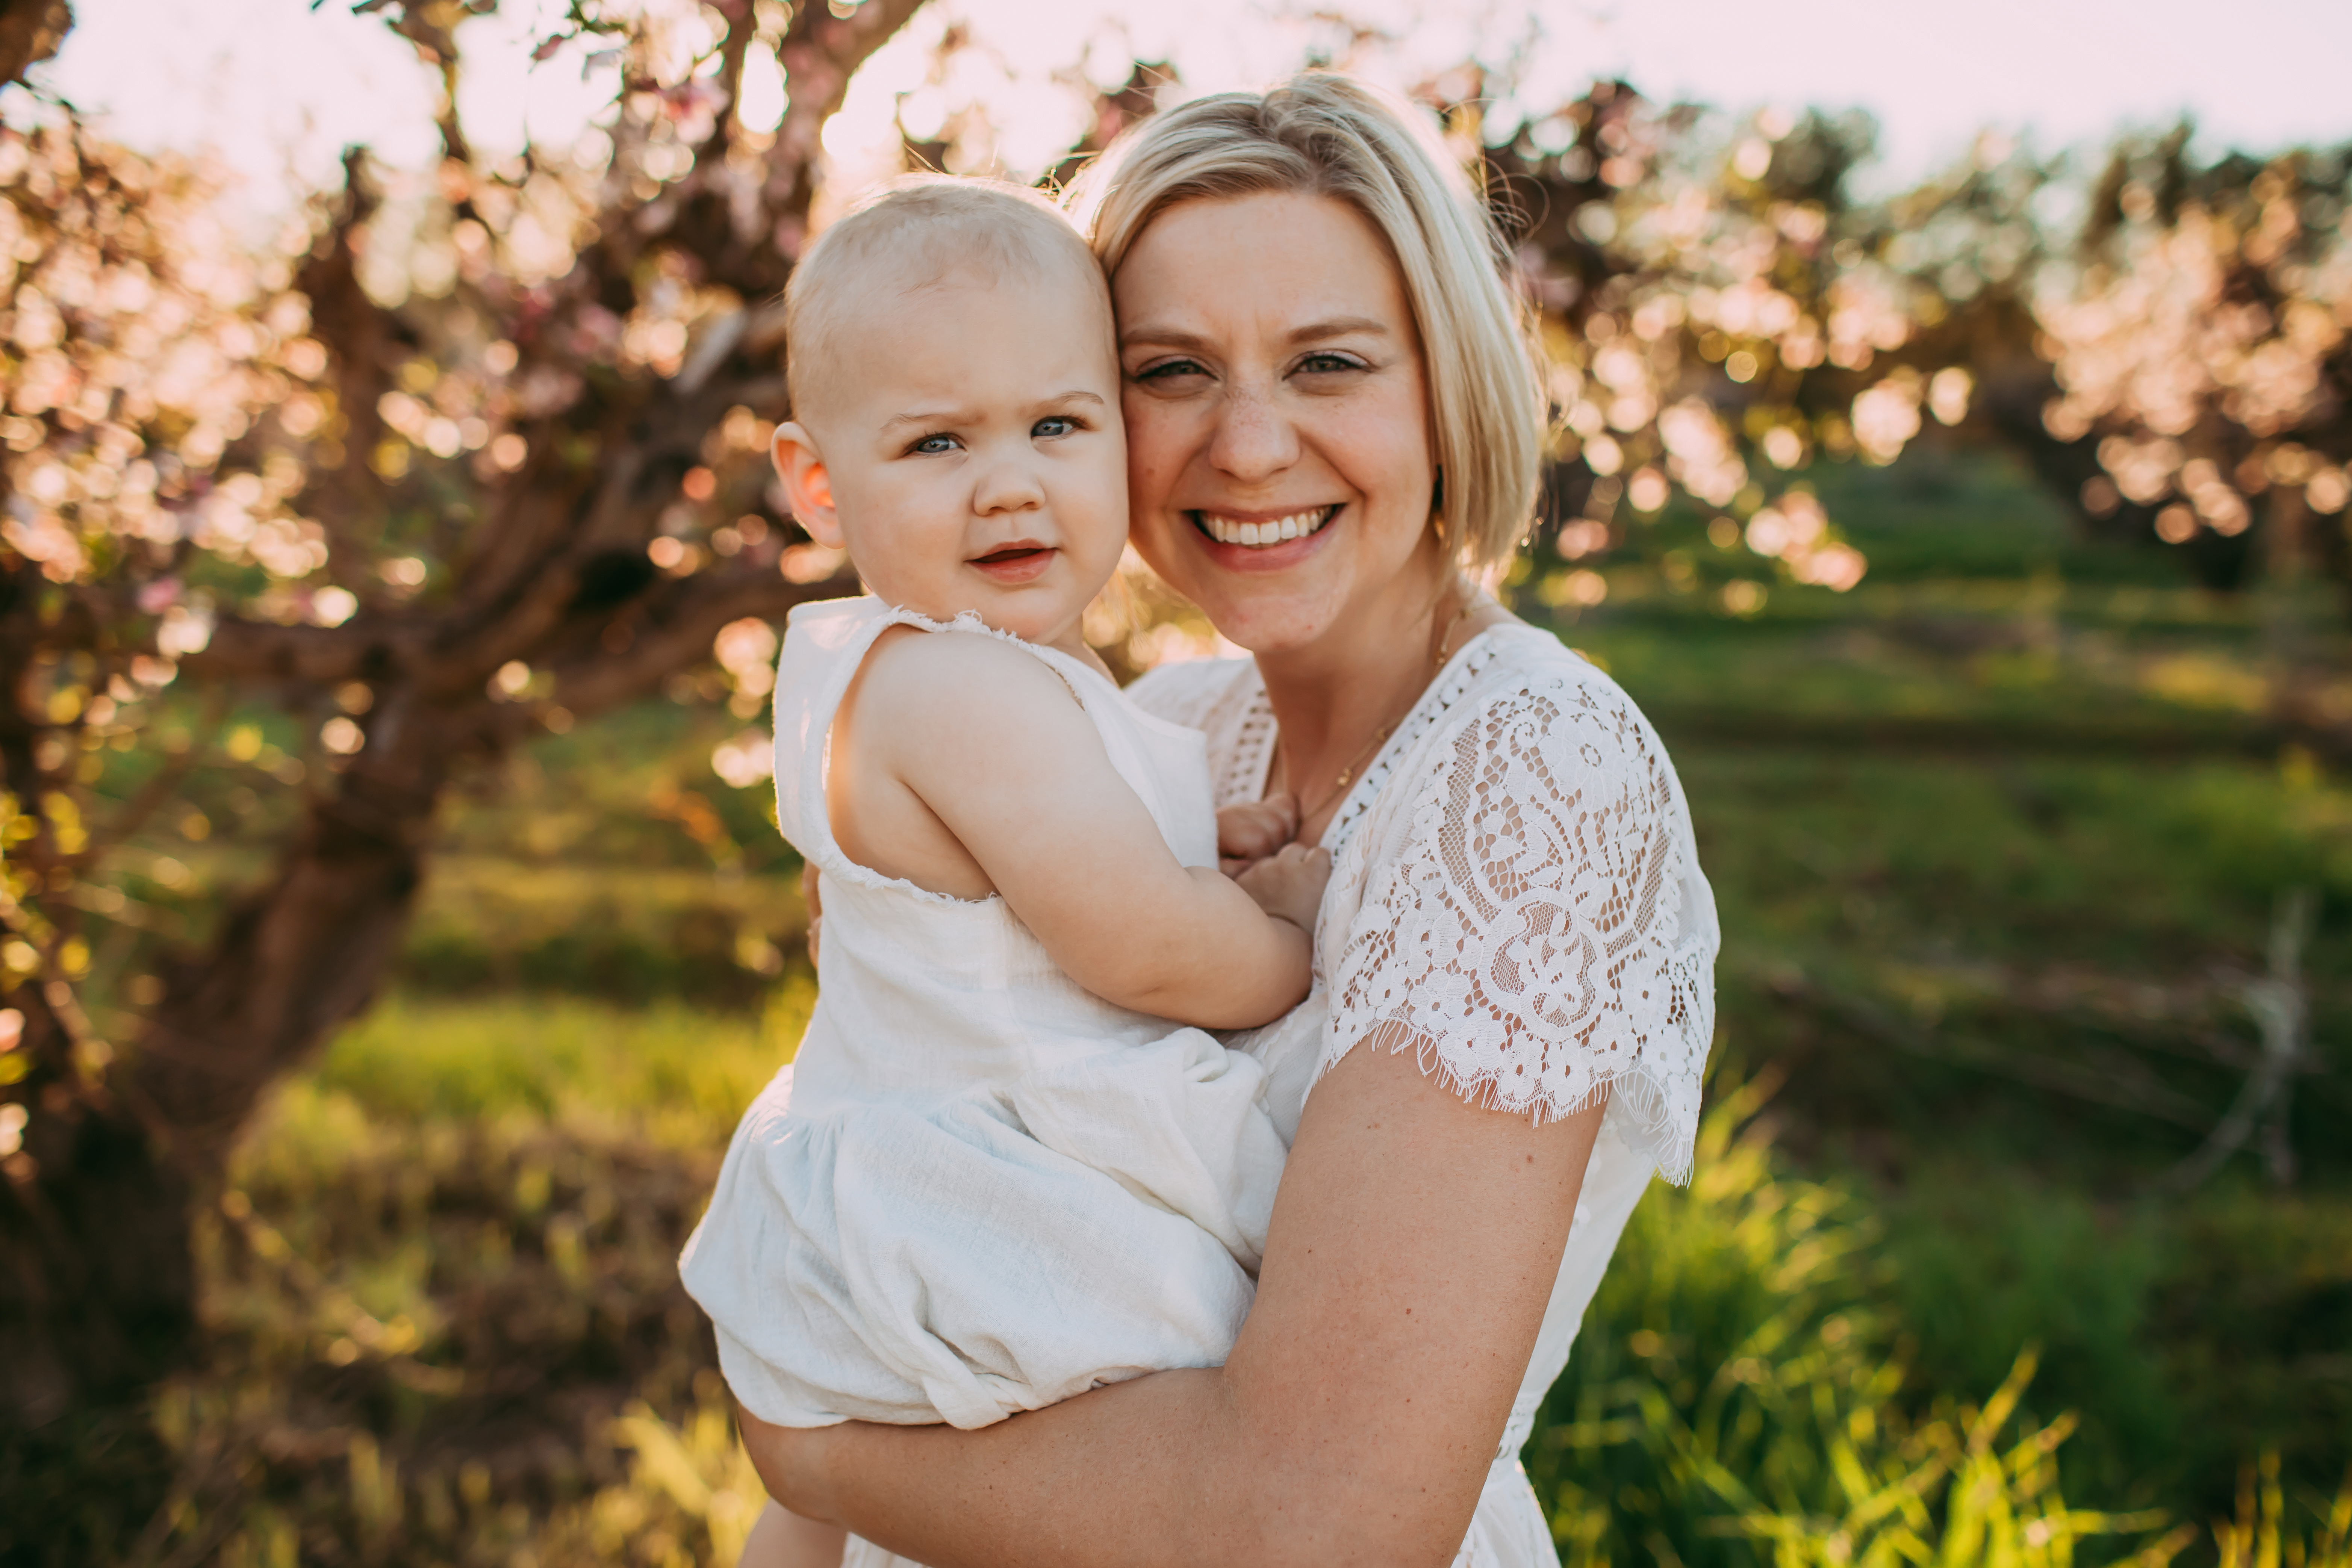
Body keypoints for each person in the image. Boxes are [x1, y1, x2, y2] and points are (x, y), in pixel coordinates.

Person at [736, 73, 1721, 1568]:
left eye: (1326, 362)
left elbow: (1313, 1529)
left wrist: (807, 1440)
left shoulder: (1530, 770)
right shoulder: (1174, 731)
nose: (1248, 446)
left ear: (1445, 387)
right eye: (1171, 370)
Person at [677, 176, 1333, 1568]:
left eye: (1055, 424)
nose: (1010, 481)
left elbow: (1036, 858)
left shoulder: (959, 674)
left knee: (873, 1512)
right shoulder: (958, 685)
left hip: (931, 1159)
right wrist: (1275, 932)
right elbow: (1141, 948)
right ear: (816, 482)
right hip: (1007, 1185)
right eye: (934, 442)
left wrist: (1181, 833)